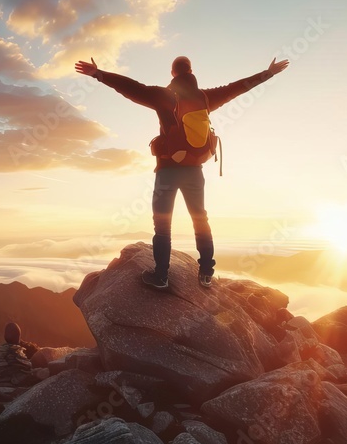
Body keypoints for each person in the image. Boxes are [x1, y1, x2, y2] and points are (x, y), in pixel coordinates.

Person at [75, 56, 289, 289]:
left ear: (173, 73)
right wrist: (268, 73)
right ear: (191, 71)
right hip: (194, 171)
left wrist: (99, 73)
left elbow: (131, 88)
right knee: (200, 220)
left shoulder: (163, 96)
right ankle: (206, 273)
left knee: (162, 224)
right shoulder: (206, 97)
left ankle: (161, 277)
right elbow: (238, 88)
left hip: (168, 170)